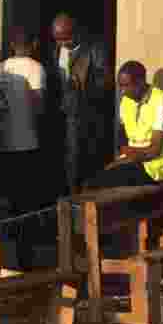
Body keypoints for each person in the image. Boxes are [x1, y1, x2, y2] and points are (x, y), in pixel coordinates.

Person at [0, 27, 46, 268]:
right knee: (28, 203)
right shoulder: (36, 68)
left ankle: (5, 258)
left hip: (3, 144)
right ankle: (25, 259)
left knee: (7, 202)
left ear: (12, 45)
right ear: (33, 44)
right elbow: (39, 106)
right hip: (28, 143)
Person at [85, 60, 163, 190]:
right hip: (134, 161)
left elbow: (154, 151)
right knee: (93, 179)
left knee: (103, 183)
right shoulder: (126, 102)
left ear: (140, 82)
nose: (122, 91)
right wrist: (122, 157)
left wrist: (127, 155)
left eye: (126, 86)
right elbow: (122, 137)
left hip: (156, 168)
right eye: (120, 86)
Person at [47, 13, 113, 194]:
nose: (61, 43)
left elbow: (105, 82)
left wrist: (83, 84)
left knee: (79, 163)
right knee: (62, 162)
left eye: (65, 38)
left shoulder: (94, 49)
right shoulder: (55, 50)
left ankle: (78, 198)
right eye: (57, 39)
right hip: (61, 114)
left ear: (76, 32)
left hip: (84, 115)